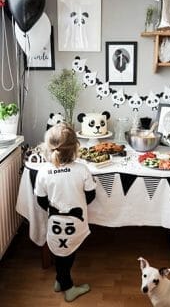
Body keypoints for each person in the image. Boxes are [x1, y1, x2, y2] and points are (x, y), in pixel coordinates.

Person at [34, 122, 96, 302]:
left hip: (55, 223)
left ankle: (60, 280)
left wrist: (55, 208)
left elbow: (40, 200)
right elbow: (90, 196)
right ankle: (68, 288)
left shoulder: (43, 171)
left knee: (61, 253)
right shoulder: (82, 169)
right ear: (75, 148)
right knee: (68, 254)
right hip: (75, 223)